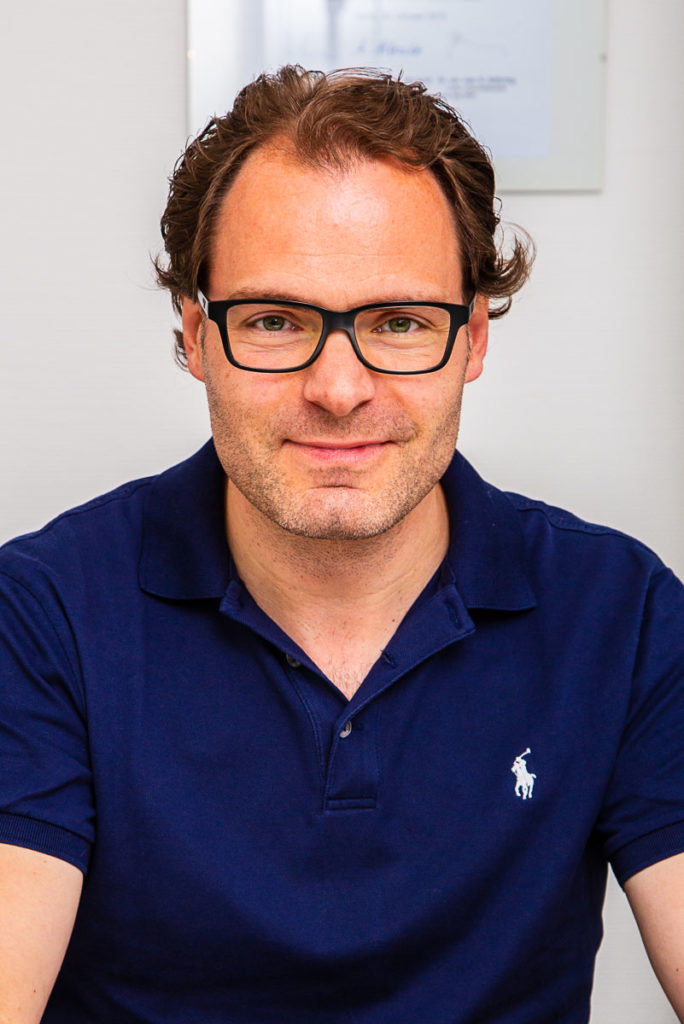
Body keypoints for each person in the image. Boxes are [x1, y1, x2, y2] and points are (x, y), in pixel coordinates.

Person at [0, 65, 683, 1024]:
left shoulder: (622, 612)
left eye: (398, 322)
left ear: (472, 340)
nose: (338, 389)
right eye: (276, 321)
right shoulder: (43, 614)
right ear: (196, 335)